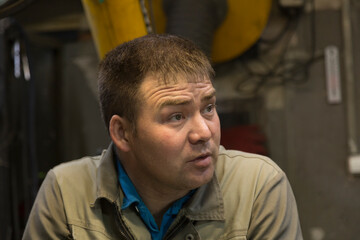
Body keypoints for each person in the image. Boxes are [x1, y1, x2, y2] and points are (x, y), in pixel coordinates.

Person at [22, 34, 303, 239]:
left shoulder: (257, 187)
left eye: (208, 108)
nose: (204, 132)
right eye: (176, 116)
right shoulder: (66, 192)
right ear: (123, 133)